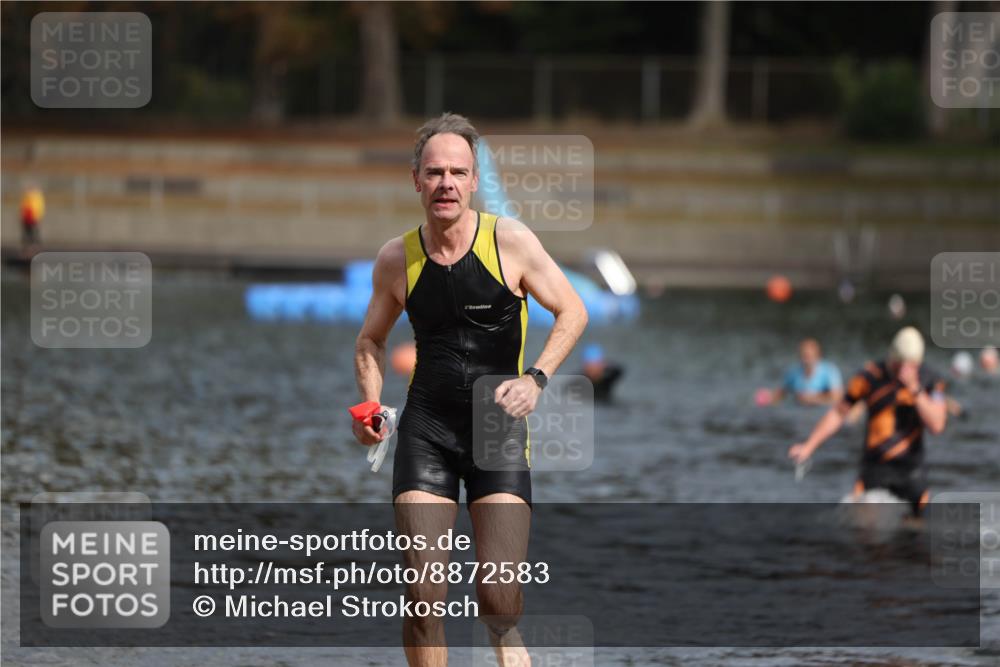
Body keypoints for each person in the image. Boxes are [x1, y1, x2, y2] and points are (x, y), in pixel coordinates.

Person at [353, 113, 587, 667]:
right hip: (425, 431)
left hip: (497, 432)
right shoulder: (396, 258)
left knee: (498, 602)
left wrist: (537, 379)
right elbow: (370, 341)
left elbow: (572, 311)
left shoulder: (511, 242)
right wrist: (368, 405)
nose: (446, 183)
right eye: (434, 172)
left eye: (458, 172)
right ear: (416, 180)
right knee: (422, 598)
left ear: (474, 181)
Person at [788, 327, 948, 516]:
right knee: (863, 530)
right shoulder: (868, 377)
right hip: (875, 468)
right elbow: (839, 413)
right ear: (892, 357)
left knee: (916, 535)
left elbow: (937, 425)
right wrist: (809, 446)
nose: (905, 371)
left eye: (911, 365)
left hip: (912, 471)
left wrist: (915, 389)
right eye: (900, 365)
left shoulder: (929, 379)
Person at [766, 338, 843, 406]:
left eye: (808, 356)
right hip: (800, 411)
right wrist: (768, 398)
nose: (805, 360)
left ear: (818, 355)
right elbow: (780, 394)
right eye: (803, 356)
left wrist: (813, 399)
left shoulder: (829, 371)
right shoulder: (793, 373)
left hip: (821, 410)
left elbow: (837, 397)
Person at [20, 184, 45, 248]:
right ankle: (28, 245)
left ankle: (35, 244)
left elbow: (39, 207)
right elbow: (23, 206)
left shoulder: (37, 196)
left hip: (34, 216)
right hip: (27, 216)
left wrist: (38, 215)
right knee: (27, 231)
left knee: (34, 231)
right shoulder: (26, 196)